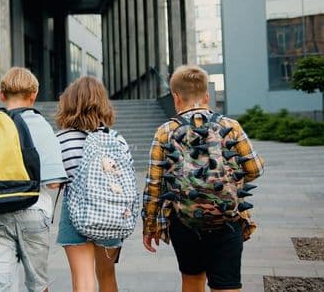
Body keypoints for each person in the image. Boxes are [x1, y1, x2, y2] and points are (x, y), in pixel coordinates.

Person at [141, 65, 264, 292]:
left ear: (176, 98)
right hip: (227, 218)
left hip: (184, 220)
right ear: (207, 96)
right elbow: (255, 168)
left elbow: (154, 185)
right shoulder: (230, 126)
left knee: (192, 281)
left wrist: (150, 226)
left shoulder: (165, 131)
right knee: (227, 286)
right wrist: (228, 182)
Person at [0, 67, 67, 292]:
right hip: (32, 210)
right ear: (34, 95)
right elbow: (53, 183)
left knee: (2, 285)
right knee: (38, 285)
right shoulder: (41, 126)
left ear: (1, 94)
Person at [55, 76, 132, 292]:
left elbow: (54, 181)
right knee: (107, 276)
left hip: (76, 214)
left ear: (70, 103)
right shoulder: (117, 139)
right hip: (111, 214)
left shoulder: (62, 140)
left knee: (83, 279)